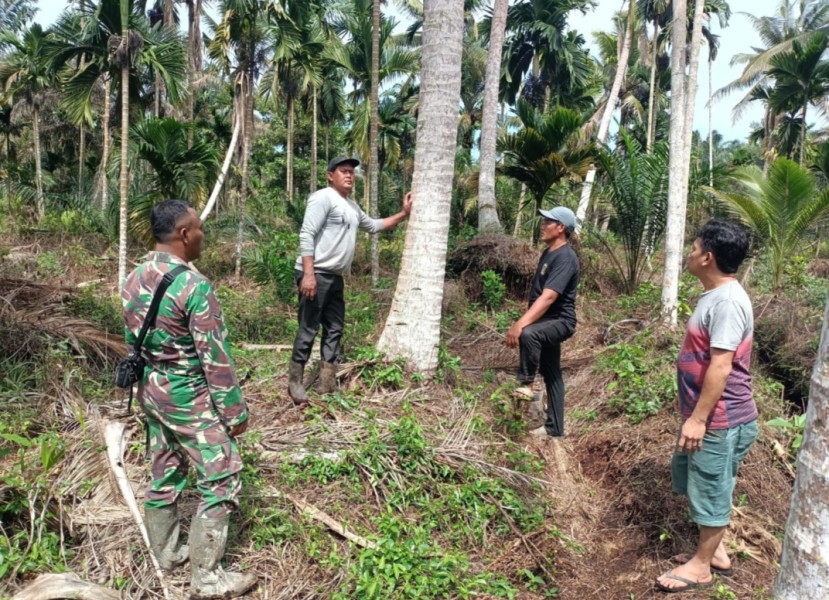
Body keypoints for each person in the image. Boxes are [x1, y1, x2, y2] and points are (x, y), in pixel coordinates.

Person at [121, 199, 256, 599]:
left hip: (151, 390)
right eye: (198, 229)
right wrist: (234, 413)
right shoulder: (194, 286)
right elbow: (215, 359)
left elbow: (134, 342)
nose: (202, 235)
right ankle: (208, 578)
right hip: (186, 395)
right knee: (223, 474)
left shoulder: (133, 277)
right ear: (183, 234)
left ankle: (167, 552)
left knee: (164, 468)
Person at [655, 219, 756, 594]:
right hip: (709, 418)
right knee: (694, 480)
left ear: (708, 257)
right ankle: (716, 548)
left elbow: (721, 365)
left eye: (695, 248)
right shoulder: (716, 296)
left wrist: (698, 419)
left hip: (719, 419)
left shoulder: (728, 302)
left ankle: (701, 566)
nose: (690, 253)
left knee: (712, 487)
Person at [288, 157, 412, 404]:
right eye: (343, 171)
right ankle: (295, 382)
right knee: (309, 326)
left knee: (334, 328)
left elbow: (375, 226)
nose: (349, 176)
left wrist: (404, 214)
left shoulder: (352, 207)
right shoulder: (323, 197)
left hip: (334, 277)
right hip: (315, 274)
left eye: (352, 173)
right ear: (330, 175)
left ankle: (327, 382)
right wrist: (309, 275)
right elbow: (307, 233)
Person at [506, 206, 579, 438]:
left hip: (560, 321)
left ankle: (526, 383)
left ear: (561, 228)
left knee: (530, 334)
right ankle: (555, 429)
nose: (543, 225)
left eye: (548, 222)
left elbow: (548, 297)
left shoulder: (566, 257)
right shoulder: (548, 253)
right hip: (547, 321)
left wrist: (520, 324)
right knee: (552, 373)